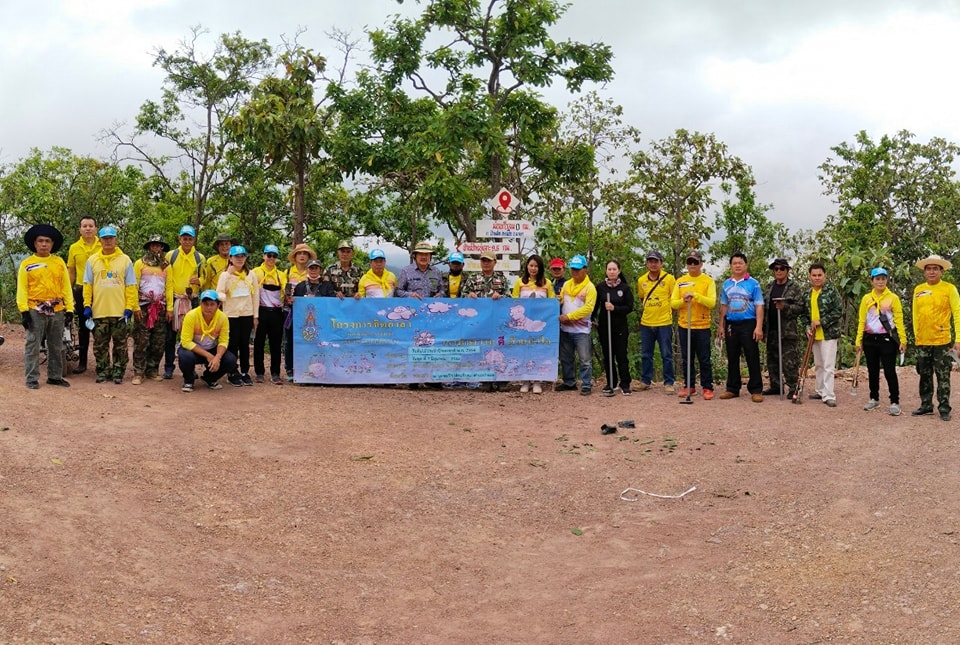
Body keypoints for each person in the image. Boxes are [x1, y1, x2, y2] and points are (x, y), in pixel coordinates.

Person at [17, 223, 74, 389]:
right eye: (40, 241)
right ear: (35, 243)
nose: (44, 244)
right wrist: (24, 311)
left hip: (57, 309)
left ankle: (55, 376)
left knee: (56, 344)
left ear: (52, 244)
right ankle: (31, 377)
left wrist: (69, 308)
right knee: (32, 344)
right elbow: (22, 288)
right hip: (35, 309)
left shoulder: (58, 262)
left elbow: (66, 286)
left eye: (47, 241)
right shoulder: (27, 264)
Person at [83, 226, 137, 384]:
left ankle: (118, 372)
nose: (108, 241)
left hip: (119, 311)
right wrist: (87, 305)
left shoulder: (125, 260)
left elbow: (131, 286)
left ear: (115, 240)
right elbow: (87, 284)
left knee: (120, 345)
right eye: (105, 238)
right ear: (100, 240)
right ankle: (103, 371)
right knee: (100, 345)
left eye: (111, 238)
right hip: (99, 310)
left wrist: (129, 307)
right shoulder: (92, 260)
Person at [911, 254, 960, 421]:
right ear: (924, 271)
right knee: (924, 374)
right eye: (928, 269)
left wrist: (958, 338)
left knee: (943, 374)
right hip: (923, 340)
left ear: (941, 271)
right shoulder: (918, 290)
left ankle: (944, 407)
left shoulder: (949, 289)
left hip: (942, 341)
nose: (932, 272)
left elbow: (957, 313)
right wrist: (916, 336)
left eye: (935, 269)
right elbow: (915, 314)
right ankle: (926, 405)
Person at [855, 267, 906, 416]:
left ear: (887, 280)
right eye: (877, 279)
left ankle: (894, 401)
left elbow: (899, 320)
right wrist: (858, 340)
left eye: (883, 278)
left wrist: (903, 340)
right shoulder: (866, 299)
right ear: (871, 281)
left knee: (890, 371)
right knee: (872, 370)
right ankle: (874, 398)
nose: (880, 281)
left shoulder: (893, 298)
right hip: (870, 338)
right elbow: (861, 320)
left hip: (887, 339)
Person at [718, 252, 765, 402]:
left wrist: (758, 327)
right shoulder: (726, 284)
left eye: (740, 263)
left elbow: (759, 305)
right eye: (734, 263)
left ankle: (756, 389)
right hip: (731, 324)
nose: (737, 265)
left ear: (746, 265)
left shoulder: (753, 283)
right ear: (731, 266)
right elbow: (724, 305)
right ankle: (732, 388)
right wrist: (721, 326)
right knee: (732, 356)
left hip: (749, 324)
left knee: (752, 356)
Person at [670, 250, 717, 400]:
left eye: (695, 262)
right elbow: (673, 303)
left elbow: (711, 302)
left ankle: (707, 387)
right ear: (686, 264)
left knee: (704, 358)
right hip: (685, 325)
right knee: (686, 358)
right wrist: (683, 300)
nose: (692, 265)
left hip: (702, 326)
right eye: (690, 262)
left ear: (701, 264)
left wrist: (695, 295)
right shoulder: (680, 281)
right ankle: (689, 386)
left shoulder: (708, 281)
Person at [163, 225, 205, 379]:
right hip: (174, 299)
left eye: (190, 239)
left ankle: (190, 368)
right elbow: (165, 279)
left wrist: (199, 280)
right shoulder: (170, 256)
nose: (187, 241)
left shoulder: (199, 258)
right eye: (184, 238)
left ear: (194, 240)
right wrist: (168, 305)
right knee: (170, 336)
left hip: (192, 300)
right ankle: (168, 367)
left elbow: (205, 279)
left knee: (191, 336)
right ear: (179, 239)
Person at [177, 290, 237, 392]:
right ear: (201, 304)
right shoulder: (191, 316)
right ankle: (189, 380)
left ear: (218, 305)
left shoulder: (223, 318)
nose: (208, 307)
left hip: (212, 349)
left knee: (230, 360)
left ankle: (210, 378)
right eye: (205, 304)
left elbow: (223, 341)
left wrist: (217, 357)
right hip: (193, 350)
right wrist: (208, 356)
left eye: (212, 304)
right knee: (185, 356)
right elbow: (186, 341)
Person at [800, 262, 843, 408]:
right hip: (814, 335)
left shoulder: (831, 291)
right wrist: (807, 327)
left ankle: (829, 395)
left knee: (828, 365)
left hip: (828, 334)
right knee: (818, 364)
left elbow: (838, 311)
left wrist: (821, 321)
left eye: (820, 275)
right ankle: (820, 390)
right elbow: (804, 315)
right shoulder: (807, 294)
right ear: (809, 276)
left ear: (824, 275)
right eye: (814, 275)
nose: (817, 278)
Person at [217, 245, 260, 386]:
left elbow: (255, 296)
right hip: (231, 314)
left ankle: (244, 371)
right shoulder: (225, 275)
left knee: (245, 344)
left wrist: (255, 316)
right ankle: (232, 371)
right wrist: (228, 276)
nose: (240, 259)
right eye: (236, 256)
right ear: (231, 258)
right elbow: (220, 294)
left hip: (246, 314)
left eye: (242, 256)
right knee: (232, 344)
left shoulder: (251, 274)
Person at [512, 254, 555, 394]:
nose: (533, 268)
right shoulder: (519, 282)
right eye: (531, 265)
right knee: (524, 352)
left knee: (538, 351)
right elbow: (514, 302)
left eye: (536, 266)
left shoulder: (547, 283)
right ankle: (525, 381)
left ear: (540, 268)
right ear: (527, 266)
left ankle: (537, 380)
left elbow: (552, 303)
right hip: (523, 325)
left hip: (540, 326)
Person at [131, 235, 171, 384]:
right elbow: (134, 285)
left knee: (158, 340)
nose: (156, 248)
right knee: (142, 339)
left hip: (160, 306)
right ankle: (138, 372)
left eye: (158, 245)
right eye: (153, 245)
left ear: (162, 248)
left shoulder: (166, 266)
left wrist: (170, 309)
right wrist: (135, 306)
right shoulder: (139, 264)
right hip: (143, 305)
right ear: (149, 247)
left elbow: (169, 286)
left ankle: (152, 370)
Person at [762, 258, 804, 397]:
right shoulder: (769, 287)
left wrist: (784, 307)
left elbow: (800, 307)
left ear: (787, 270)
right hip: (772, 329)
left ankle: (793, 387)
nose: (779, 271)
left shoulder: (794, 287)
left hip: (787, 331)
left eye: (782, 269)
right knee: (772, 360)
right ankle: (775, 385)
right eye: (776, 269)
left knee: (789, 361)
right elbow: (763, 307)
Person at [635, 250, 676, 393]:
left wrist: (667, 312)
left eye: (656, 261)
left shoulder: (669, 279)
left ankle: (669, 383)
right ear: (646, 263)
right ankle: (645, 381)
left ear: (661, 263)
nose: (653, 264)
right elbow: (642, 297)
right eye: (650, 261)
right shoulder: (641, 280)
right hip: (646, 322)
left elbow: (674, 299)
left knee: (666, 354)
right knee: (646, 353)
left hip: (664, 322)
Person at [557, 254, 596, 395]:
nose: (575, 272)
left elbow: (588, 308)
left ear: (585, 270)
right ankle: (569, 382)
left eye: (578, 269)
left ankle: (586, 384)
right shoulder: (567, 284)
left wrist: (569, 316)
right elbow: (562, 299)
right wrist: (557, 301)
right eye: (573, 269)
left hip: (581, 330)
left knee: (584, 359)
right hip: (565, 328)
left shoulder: (590, 288)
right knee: (566, 357)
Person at [594, 260, 634, 396]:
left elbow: (630, 307)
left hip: (620, 327)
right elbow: (595, 306)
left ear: (619, 271)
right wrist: (592, 319)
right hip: (605, 327)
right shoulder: (600, 287)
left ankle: (625, 383)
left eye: (614, 269)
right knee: (608, 355)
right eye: (609, 269)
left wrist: (615, 308)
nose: (611, 271)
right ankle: (611, 382)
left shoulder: (624, 288)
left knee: (621, 356)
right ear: (606, 271)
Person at [66, 216, 100, 373]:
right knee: (84, 327)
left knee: (101, 327)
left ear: (95, 229)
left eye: (90, 226)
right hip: (80, 290)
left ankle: (102, 363)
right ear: (80, 229)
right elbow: (71, 272)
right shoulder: (74, 247)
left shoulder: (103, 244)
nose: (88, 228)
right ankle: (83, 363)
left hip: (100, 291)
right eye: (84, 226)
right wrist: (69, 293)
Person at [252, 244, 288, 385]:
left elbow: (285, 293)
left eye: (274, 256)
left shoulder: (281, 275)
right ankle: (259, 373)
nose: (271, 258)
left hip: (276, 313)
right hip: (261, 311)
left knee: (275, 344)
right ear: (263, 256)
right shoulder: (255, 272)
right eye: (269, 255)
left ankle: (275, 373)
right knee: (258, 343)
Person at [283, 243, 315, 380]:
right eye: (299, 253)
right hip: (291, 311)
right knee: (289, 340)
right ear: (295, 256)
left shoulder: (313, 272)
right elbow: (283, 292)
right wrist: (287, 299)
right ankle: (289, 369)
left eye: (305, 253)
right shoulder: (288, 272)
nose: (302, 256)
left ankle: (307, 368)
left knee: (309, 339)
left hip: (308, 313)